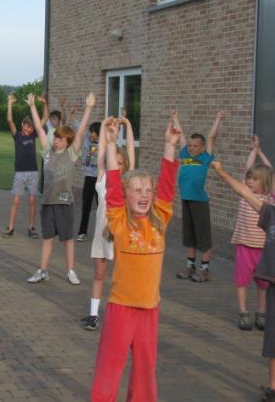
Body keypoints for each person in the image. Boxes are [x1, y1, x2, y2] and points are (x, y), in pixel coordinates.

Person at [90, 115, 180, 401]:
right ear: (126, 195)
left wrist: (170, 146)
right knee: (110, 367)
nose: (144, 195)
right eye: (137, 190)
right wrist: (111, 140)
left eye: (147, 190)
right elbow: (113, 186)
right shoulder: (118, 220)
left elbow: (167, 185)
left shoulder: (160, 219)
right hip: (122, 308)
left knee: (145, 370)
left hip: (149, 309)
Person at [211, 161, 275, 402]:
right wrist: (222, 172)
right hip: (273, 286)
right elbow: (244, 192)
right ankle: (273, 388)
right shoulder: (270, 213)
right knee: (272, 342)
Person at [27, 92, 95, 286]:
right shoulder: (47, 153)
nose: (56, 140)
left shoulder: (72, 154)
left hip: (65, 201)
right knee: (47, 238)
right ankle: (43, 271)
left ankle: (71, 271)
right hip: (48, 201)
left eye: (60, 139)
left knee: (68, 239)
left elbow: (80, 132)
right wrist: (32, 107)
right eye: (55, 138)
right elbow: (40, 130)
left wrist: (88, 108)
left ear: (67, 142)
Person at [80, 117, 134, 331]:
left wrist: (128, 126)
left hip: (122, 235)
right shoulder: (102, 179)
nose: (118, 166)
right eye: (115, 162)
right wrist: (103, 127)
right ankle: (93, 315)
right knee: (99, 274)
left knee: (123, 277)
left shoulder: (129, 180)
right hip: (103, 234)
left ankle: (124, 315)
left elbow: (130, 150)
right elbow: (103, 150)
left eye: (121, 164)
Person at [172, 110, 225, 282]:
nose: (191, 148)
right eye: (190, 145)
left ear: (202, 148)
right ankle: (190, 266)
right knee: (190, 235)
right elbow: (180, 136)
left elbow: (211, 138)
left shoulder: (205, 157)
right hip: (186, 200)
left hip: (199, 202)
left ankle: (205, 269)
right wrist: (175, 118)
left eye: (195, 146)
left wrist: (217, 119)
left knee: (203, 236)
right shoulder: (185, 155)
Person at [228, 135, 273, 331]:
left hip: (263, 249)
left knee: (263, 283)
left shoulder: (270, 199)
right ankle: (244, 312)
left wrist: (261, 152)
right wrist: (253, 151)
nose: (250, 182)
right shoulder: (245, 195)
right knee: (241, 280)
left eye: (255, 179)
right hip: (245, 245)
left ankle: (261, 312)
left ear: (264, 182)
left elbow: (272, 173)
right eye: (249, 179)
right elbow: (247, 169)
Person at [3, 93, 39, 238]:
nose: (29, 129)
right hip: (20, 173)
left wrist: (36, 105)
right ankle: (10, 227)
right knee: (16, 200)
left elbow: (40, 121)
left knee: (32, 200)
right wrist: (10, 103)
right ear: (22, 125)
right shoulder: (17, 135)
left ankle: (31, 227)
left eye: (31, 127)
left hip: (33, 172)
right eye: (26, 126)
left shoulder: (33, 136)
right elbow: (10, 120)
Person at [76, 121, 102, 242]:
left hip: (100, 180)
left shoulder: (103, 145)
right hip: (88, 179)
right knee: (85, 206)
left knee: (102, 208)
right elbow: (80, 127)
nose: (91, 134)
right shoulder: (87, 140)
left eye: (93, 132)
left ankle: (105, 233)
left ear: (99, 133)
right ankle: (82, 232)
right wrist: (73, 116)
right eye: (90, 131)